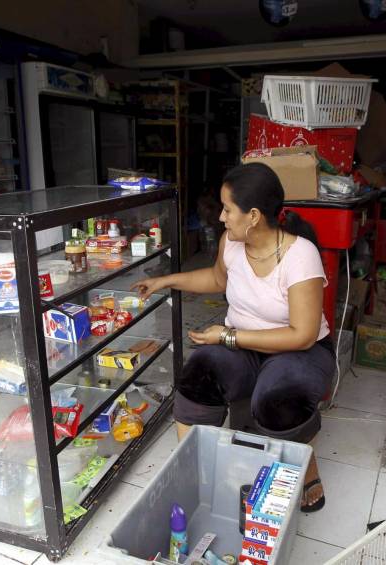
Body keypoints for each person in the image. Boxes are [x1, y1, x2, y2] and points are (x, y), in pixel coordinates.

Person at [131, 163, 335, 512]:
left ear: (253, 215)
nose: (222, 218)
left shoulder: (300, 255)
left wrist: (227, 335)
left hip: (300, 350)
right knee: (199, 372)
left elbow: (301, 335)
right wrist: (166, 281)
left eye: (228, 209)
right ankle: (193, 468)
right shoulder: (232, 243)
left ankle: (306, 465)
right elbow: (216, 279)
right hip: (242, 344)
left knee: (277, 400)